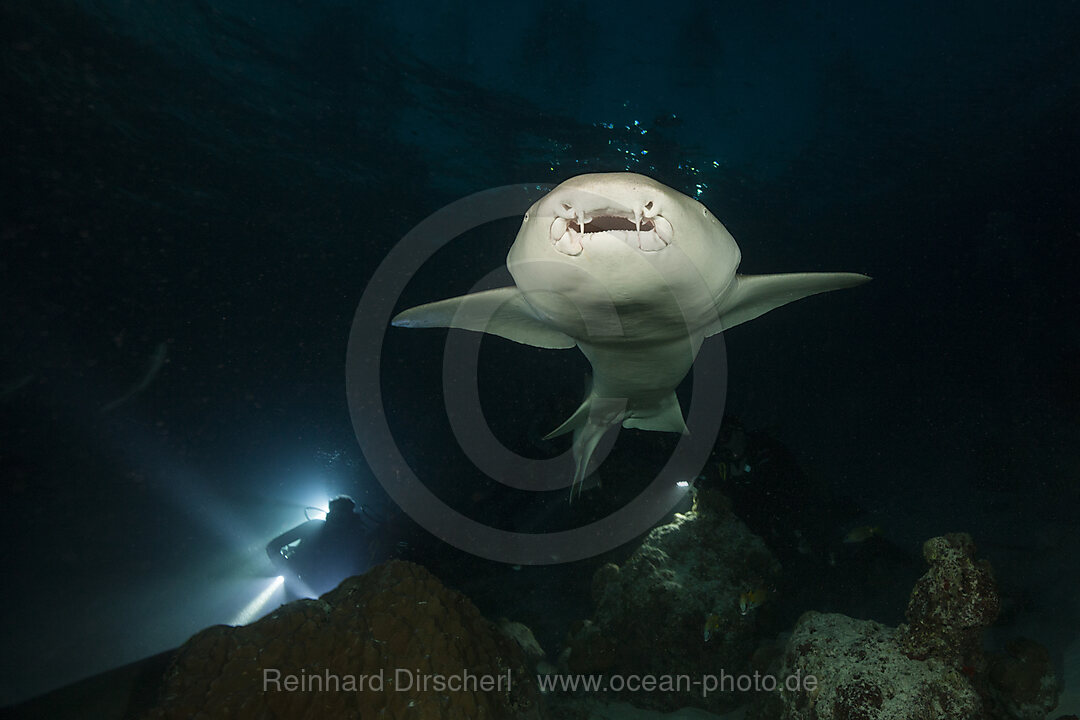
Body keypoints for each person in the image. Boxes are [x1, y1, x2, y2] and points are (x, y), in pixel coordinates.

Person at [266, 496, 375, 596]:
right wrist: (288, 570)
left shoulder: (356, 538)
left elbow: (273, 547)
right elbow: (272, 547)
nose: (339, 516)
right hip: (319, 592)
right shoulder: (356, 537)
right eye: (337, 512)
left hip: (325, 594)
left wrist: (287, 570)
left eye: (342, 512)